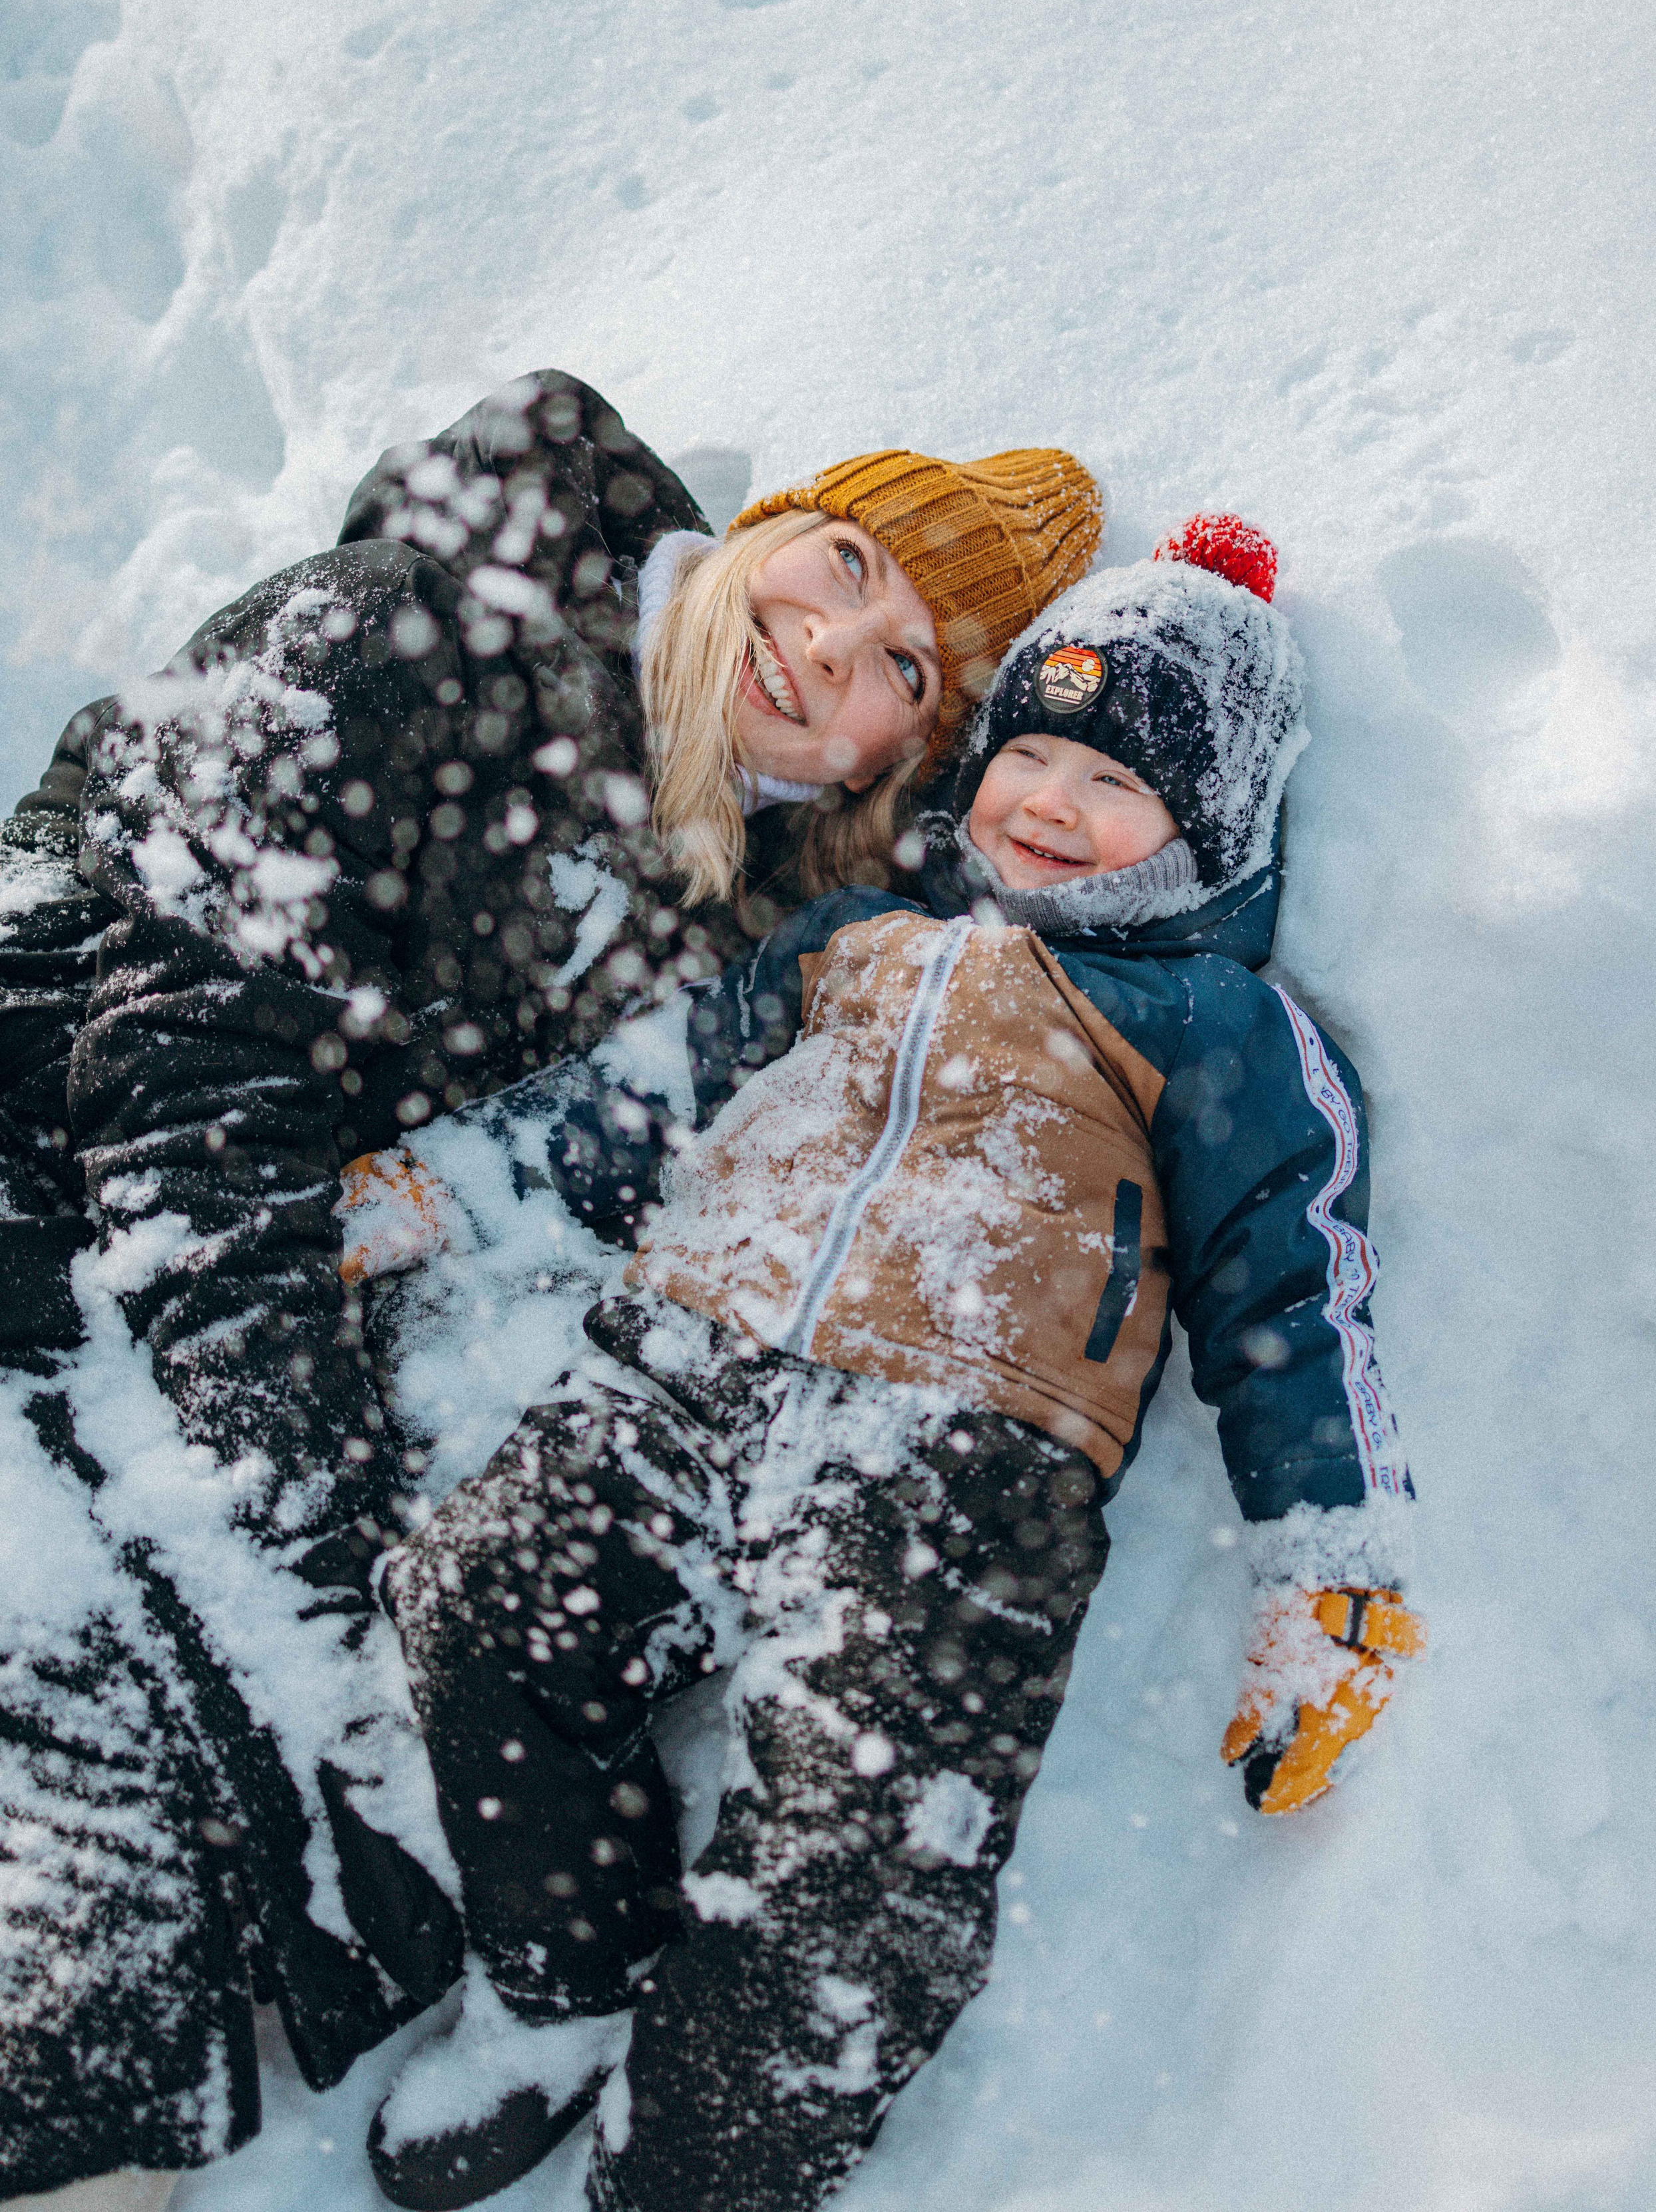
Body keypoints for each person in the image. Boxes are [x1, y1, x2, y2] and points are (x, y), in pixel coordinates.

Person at [0, 371, 1100, 2209]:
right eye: (843, 562)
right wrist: (301, 1512)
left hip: (190, 1305)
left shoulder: (739, 894)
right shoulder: (415, 626)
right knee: (106, 1705)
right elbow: (189, 1062)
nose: (834, 647)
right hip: (47, 1155)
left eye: (909, 670)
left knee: (161, 1807)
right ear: (764, 530)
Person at [345, 512, 1425, 2212]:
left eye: (1116, 785)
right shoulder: (854, 941)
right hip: (676, 1362)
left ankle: (694, 2170)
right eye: (1037, 752)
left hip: (959, 1455)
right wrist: (453, 1185)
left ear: (1210, 835)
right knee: (479, 1598)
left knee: (854, 1861)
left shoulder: (1215, 1027)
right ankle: (560, 1979)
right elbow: (640, 1095)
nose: (1051, 804)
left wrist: (1330, 1561)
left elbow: (1297, 1294)